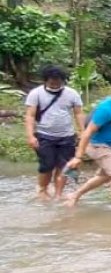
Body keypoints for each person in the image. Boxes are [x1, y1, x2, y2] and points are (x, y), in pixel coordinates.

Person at [64, 78, 111, 210]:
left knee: (104, 177)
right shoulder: (105, 109)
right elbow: (87, 132)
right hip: (96, 144)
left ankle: (75, 195)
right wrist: (78, 157)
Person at [24, 65, 85, 201]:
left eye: (59, 82)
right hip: (44, 135)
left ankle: (58, 193)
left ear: (63, 80)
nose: (55, 84)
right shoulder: (36, 93)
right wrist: (30, 136)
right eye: (52, 82)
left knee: (64, 166)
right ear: (46, 80)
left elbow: (79, 113)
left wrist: (82, 132)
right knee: (47, 165)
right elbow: (30, 115)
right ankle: (43, 189)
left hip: (67, 136)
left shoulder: (72, 93)